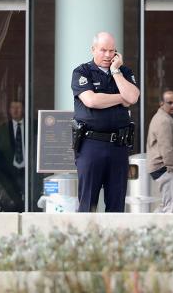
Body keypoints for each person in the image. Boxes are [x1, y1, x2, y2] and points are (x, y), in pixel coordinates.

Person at [72, 32, 140, 212]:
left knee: (116, 204)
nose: (108, 55)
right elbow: (91, 101)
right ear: (93, 50)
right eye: (103, 50)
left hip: (119, 145)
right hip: (91, 144)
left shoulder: (124, 71)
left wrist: (116, 72)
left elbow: (132, 97)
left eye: (112, 51)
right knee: (88, 204)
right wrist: (120, 98)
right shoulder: (82, 71)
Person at [146, 89, 173, 214]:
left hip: (163, 169)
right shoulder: (164, 121)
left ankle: (151, 230)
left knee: (165, 207)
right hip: (166, 169)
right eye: (169, 102)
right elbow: (166, 148)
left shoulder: (164, 118)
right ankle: (170, 233)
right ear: (161, 103)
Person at [0, 100, 25, 211]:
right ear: (9, 110)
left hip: (27, 171)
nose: (15, 110)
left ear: (24, 109)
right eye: (13, 108)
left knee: (29, 200)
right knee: (12, 202)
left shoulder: (32, 126)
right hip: (9, 171)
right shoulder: (2, 129)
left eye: (19, 107)